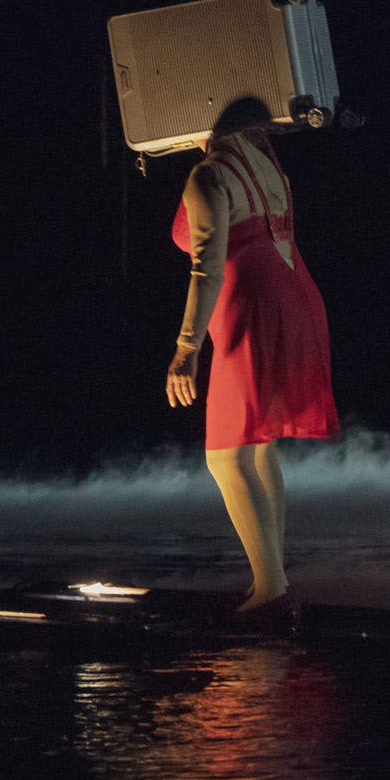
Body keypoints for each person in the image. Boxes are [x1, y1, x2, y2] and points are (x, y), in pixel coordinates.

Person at [164, 96, 337, 625]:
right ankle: (270, 577)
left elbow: (207, 269)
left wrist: (186, 349)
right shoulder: (265, 161)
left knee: (225, 456)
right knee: (259, 446)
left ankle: (272, 589)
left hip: (253, 310)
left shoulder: (209, 175)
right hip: (296, 297)